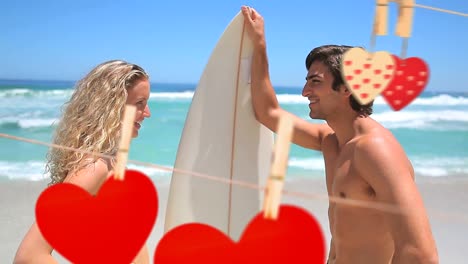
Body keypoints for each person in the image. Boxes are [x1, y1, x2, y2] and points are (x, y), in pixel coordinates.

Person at [241, 6, 438, 264]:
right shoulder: (332, 142)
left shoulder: (375, 150)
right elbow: (268, 113)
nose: (304, 91)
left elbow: (420, 253)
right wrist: (259, 45)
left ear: (346, 89)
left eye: (315, 82)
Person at [13, 60, 152, 264]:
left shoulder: (110, 161)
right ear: (112, 106)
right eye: (140, 103)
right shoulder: (94, 166)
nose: (147, 113)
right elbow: (28, 256)